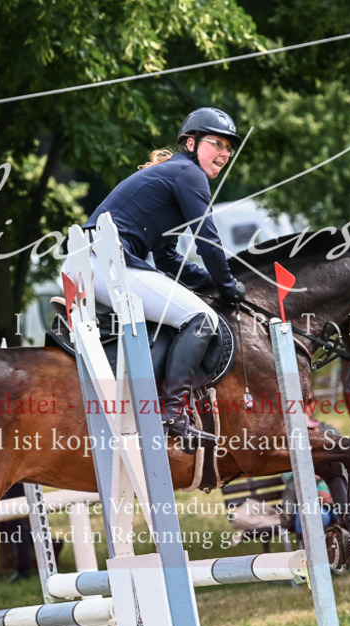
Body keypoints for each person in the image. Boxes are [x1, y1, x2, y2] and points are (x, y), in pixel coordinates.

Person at [81, 107, 246, 444]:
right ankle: (172, 414)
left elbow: (168, 258)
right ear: (190, 143)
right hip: (108, 265)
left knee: (184, 310)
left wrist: (213, 282)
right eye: (217, 144)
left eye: (228, 148)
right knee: (201, 318)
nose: (224, 153)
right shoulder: (189, 174)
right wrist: (229, 286)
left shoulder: (177, 175)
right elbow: (209, 243)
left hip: (94, 265)